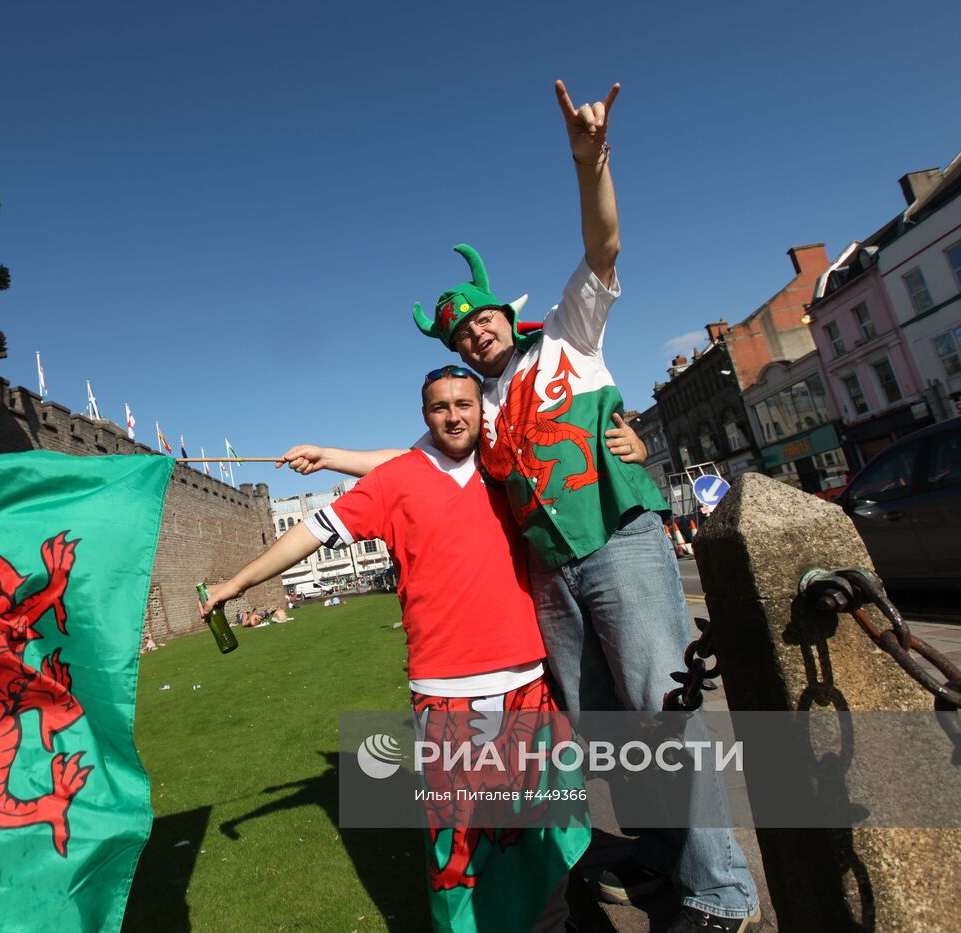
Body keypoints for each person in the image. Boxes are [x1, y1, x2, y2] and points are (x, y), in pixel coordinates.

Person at [283, 81, 760, 932]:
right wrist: (330, 454)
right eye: (460, 335)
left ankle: (722, 888)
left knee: (661, 709)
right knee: (604, 725)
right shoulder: (481, 406)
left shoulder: (570, 337)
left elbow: (604, 244)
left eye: (481, 320)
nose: (475, 334)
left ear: (505, 313)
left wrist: (590, 161)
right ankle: (661, 850)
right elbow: (407, 461)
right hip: (550, 573)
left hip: (617, 542)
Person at [202, 368, 589, 933]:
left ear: (481, 409)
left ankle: (551, 923)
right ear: (424, 416)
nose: (453, 416)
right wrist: (236, 584)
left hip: (526, 679)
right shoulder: (395, 480)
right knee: (459, 844)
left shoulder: (503, 463)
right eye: (439, 407)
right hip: (445, 690)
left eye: (464, 404)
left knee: (543, 824)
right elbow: (309, 534)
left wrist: (627, 442)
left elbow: (578, 446)